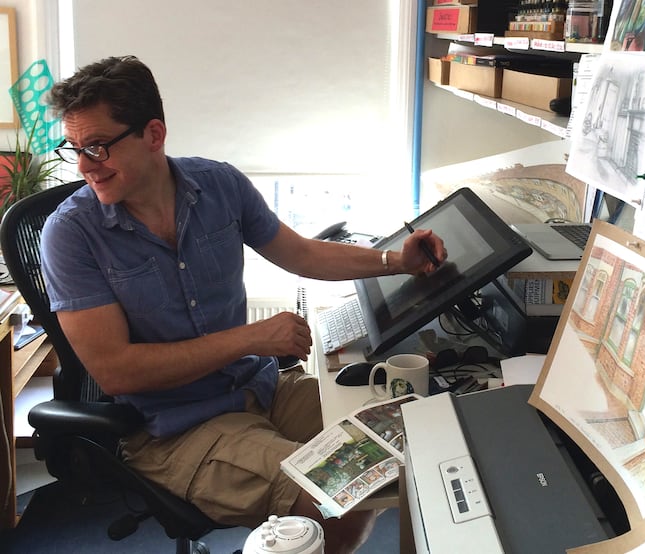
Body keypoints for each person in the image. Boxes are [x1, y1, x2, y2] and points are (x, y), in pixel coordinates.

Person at [42, 55, 446, 554]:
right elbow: (118, 372)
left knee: (410, 438)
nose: (84, 166)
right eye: (75, 149)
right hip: (174, 428)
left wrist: (394, 260)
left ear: (153, 134)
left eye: (98, 147)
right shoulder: (71, 234)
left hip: (259, 386)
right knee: (331, 501)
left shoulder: (219, 185)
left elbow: (301, 253)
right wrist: (253, 337)